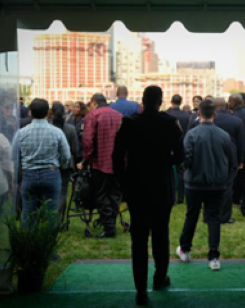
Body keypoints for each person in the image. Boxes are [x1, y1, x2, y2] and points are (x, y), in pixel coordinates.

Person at [113, 86, 184, 306]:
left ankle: (141, 290)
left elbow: (117, 157)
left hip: (136, 188)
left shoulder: (130, 123)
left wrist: (124, 182)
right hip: (162, 186)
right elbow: (180, 156)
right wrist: (164, 164)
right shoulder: (170, 124)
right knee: (161, 235)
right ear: (160, 101)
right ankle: (160, 278)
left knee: (139, 238)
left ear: (142, 101)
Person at [177, 99, 234, 271]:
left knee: (191, 216)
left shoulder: (192, 134)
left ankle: (185, 250)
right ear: (215, 114)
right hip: (216, 184)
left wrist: (186, 170)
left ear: (199, 113)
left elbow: (185, 159)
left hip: (194, 184)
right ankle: (214, 256)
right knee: (214, 219)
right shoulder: (224, 135)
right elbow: (231, 161)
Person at [12, 98, 71, 226]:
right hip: (51, 173)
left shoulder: (21, 133)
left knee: (28, 213)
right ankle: (48, 241)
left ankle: (28, 242)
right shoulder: (57, 132)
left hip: (29, 175)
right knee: (51, 213)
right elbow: (66, 156)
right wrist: (57, 163)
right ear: (47, 113)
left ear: (30, 113)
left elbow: (14, 156)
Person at [188, 97, 243, 223]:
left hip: (207, 157)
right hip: (229, 159)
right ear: (226, 106)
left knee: (208, 187)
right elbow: (240, 143)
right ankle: (224, 216)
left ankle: (207, 215)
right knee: (228, 187)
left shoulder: (205, 120)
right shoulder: (236, 121)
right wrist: (239, 160)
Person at [82, 93, 123, 238]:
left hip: (100, 162)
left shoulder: (93, 116)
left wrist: (86, 160)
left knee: (101, 195)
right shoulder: (119, 115)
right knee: (114, 194)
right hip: (118, 163)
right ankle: (111, 223)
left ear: (94, 103)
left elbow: (88, 141)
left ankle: (109, 227)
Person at [51, 102, 78, 222]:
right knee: (62, 192)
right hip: (65, 165)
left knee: (51, 191)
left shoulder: (48, 127)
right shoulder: (70, 129)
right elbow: (74, 149)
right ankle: (58, 218)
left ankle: (54, 217)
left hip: (49, 164)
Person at [229, 93, 245, 217]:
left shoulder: (232, 116)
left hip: (235, 153)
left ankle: (233, 201)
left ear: (233, 103)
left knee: (232, 179)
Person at [167, 94, 190, 204]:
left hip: (168, 146)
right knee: (181, 172)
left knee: (168, 171)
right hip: (182, 145)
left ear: (171, 101)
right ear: (181, 102)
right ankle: (181, 196)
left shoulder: (167, 115)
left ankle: (169, 194)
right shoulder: (186, 116)